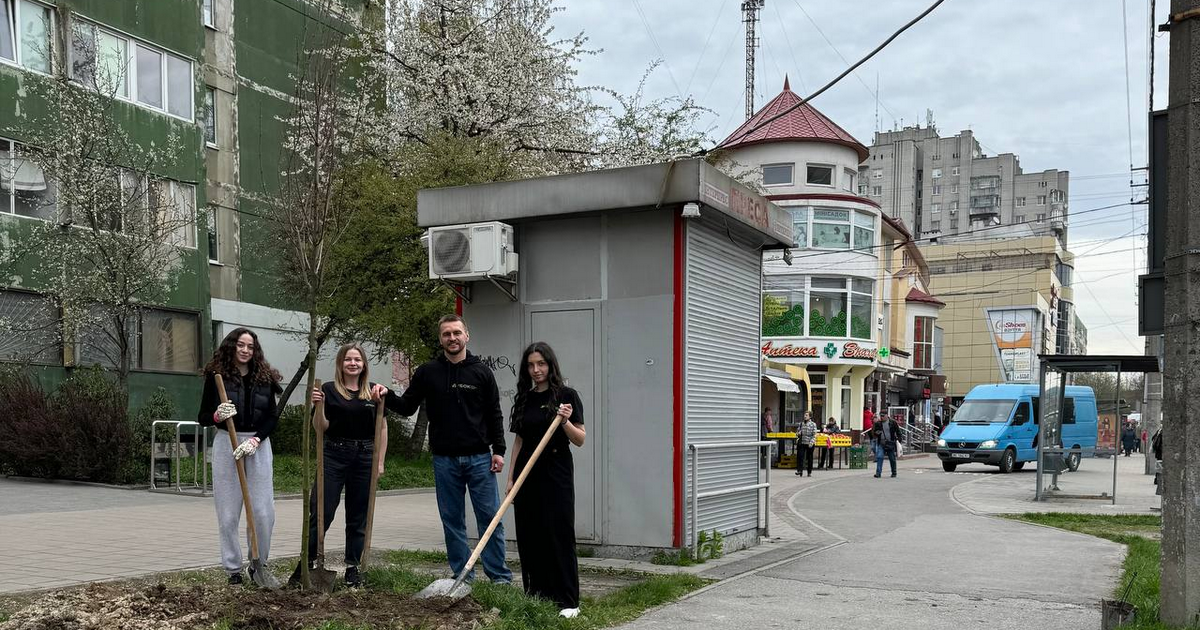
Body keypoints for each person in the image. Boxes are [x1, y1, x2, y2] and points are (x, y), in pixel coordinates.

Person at [377, 315, 512, 585]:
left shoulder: (482, 372)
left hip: (479, 458)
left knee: (490, 517)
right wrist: (384, 393)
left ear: (466, 336)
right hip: (444, 459)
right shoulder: (428, 372)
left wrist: (499, 450)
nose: (452, 338)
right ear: (441, 339)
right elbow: (407, 407)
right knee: (452, 520)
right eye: (447, 334)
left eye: (456, 333)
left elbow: (494, 413)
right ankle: (463, 576)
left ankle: (500, 578)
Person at [290, 343, 388, 587]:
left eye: (357, 359)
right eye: (348, 359)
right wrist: (319, 407)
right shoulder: (328, 390)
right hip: (333, 454)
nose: (353, 363)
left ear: (364, 364)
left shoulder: (374, 392)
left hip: (365, 456)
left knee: (358, 515)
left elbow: (382, 428)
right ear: (340, 364)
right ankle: (308, 563)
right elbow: (320, 427)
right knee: (322, 509)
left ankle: (353, 568)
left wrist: (380, 461)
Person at [505, 342, 585, 618]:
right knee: (531, 536)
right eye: (531, 365)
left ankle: (568, 601)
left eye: (541, 364)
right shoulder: (525, 398)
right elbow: (519, 441)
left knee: (558, 535)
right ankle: (537, 596)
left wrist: (564, 422)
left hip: (556, 474)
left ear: (550, 365)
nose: (536, 370)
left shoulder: (566, 396)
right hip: (527, 475)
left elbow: (580, 440)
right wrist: (511, 478)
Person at [197, 327, 282, 585]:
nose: (245, 350)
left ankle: (259, 564)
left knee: (263, 512)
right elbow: (202, 418)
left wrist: (256, 439)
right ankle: (233, 569)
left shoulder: (264, 378)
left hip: (257, 444)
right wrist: (216, 416)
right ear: (231, 347)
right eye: (241, 345)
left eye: (250, 347)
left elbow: (272, 417)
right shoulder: (216, 377)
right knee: (228, 513)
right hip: (227, 444)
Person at [870, 413, 901, 478]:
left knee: (892, 458)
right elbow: (873, 432)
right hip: (881, 443)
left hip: (890, 443)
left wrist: (899, 439)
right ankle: (878, 473)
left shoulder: (893, 422)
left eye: (883, 416)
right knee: (879, 457)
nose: (881, 417)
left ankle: (894, 472)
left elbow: (898, 431)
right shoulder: (878, 423)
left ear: (887, 415)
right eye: (880, 416)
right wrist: (877, 433)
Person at [794, 412, 817, 477]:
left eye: (806, 415)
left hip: (810, 443)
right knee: (800, 456)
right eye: (804, 415)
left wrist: (811, 442)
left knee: (809, 458)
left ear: (810, 417)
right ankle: (799, 470)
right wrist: (798, 433)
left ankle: (809, 472)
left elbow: (814, 434)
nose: (805, 416)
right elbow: (797, 432)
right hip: (802, 442)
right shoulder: (801, 424)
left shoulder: (813, 424)